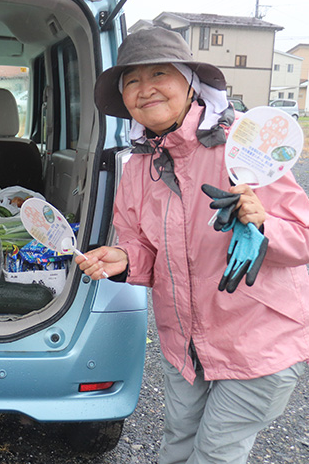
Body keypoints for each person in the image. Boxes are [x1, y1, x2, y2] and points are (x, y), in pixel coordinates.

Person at [80, 27, 309, 464]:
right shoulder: (139, 166)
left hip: (259, 342)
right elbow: (143, 248)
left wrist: (263, 225)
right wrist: (124, 258)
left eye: (159, 74)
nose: (144, 90)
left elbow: (303, 236)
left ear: (190, 83)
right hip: (184, 346)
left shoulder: (245, 145)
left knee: (215, 454)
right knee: (176, 446)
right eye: (131, 81)